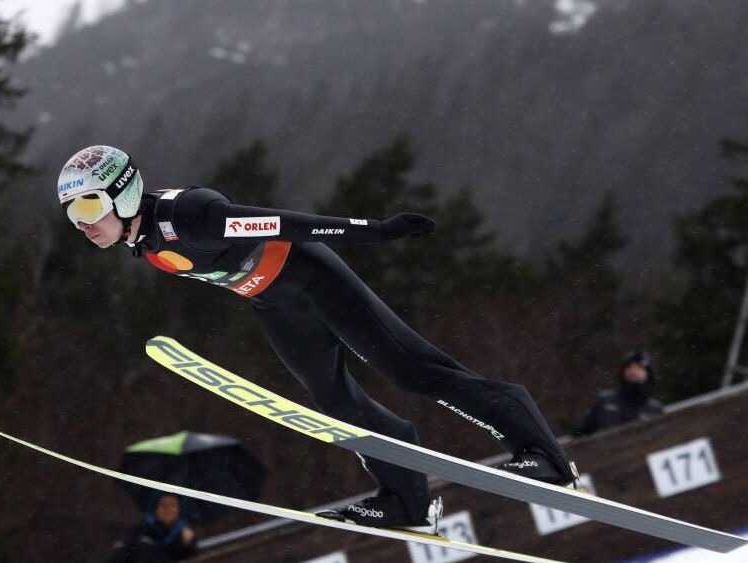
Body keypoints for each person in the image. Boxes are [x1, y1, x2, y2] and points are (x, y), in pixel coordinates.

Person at [59, 145, 578, 529]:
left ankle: (542, 453)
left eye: (87, 208)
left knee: (410, 370)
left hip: (311, 279)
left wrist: (376, 230)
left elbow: (285, 223)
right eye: (71, 215)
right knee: (332, 401)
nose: (81, 225)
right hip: (273, 301)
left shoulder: (190, 216)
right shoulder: (142, 237)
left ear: (123, 192)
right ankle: (406, 500)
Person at [575, 352, 664, 436]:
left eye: (639, 367)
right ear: (623, 371)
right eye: (629, 367)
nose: (633, 371)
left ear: (647, 374)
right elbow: (580, 433)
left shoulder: (654, 409)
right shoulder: (604, 401)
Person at [105, 493, 198, 563]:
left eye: (172, 505)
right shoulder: (139, 532)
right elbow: (115, 558)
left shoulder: (185, 536)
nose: (168, 509)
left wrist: (187, 545)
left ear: (179, 509)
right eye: (163, 505)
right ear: (155, 509)